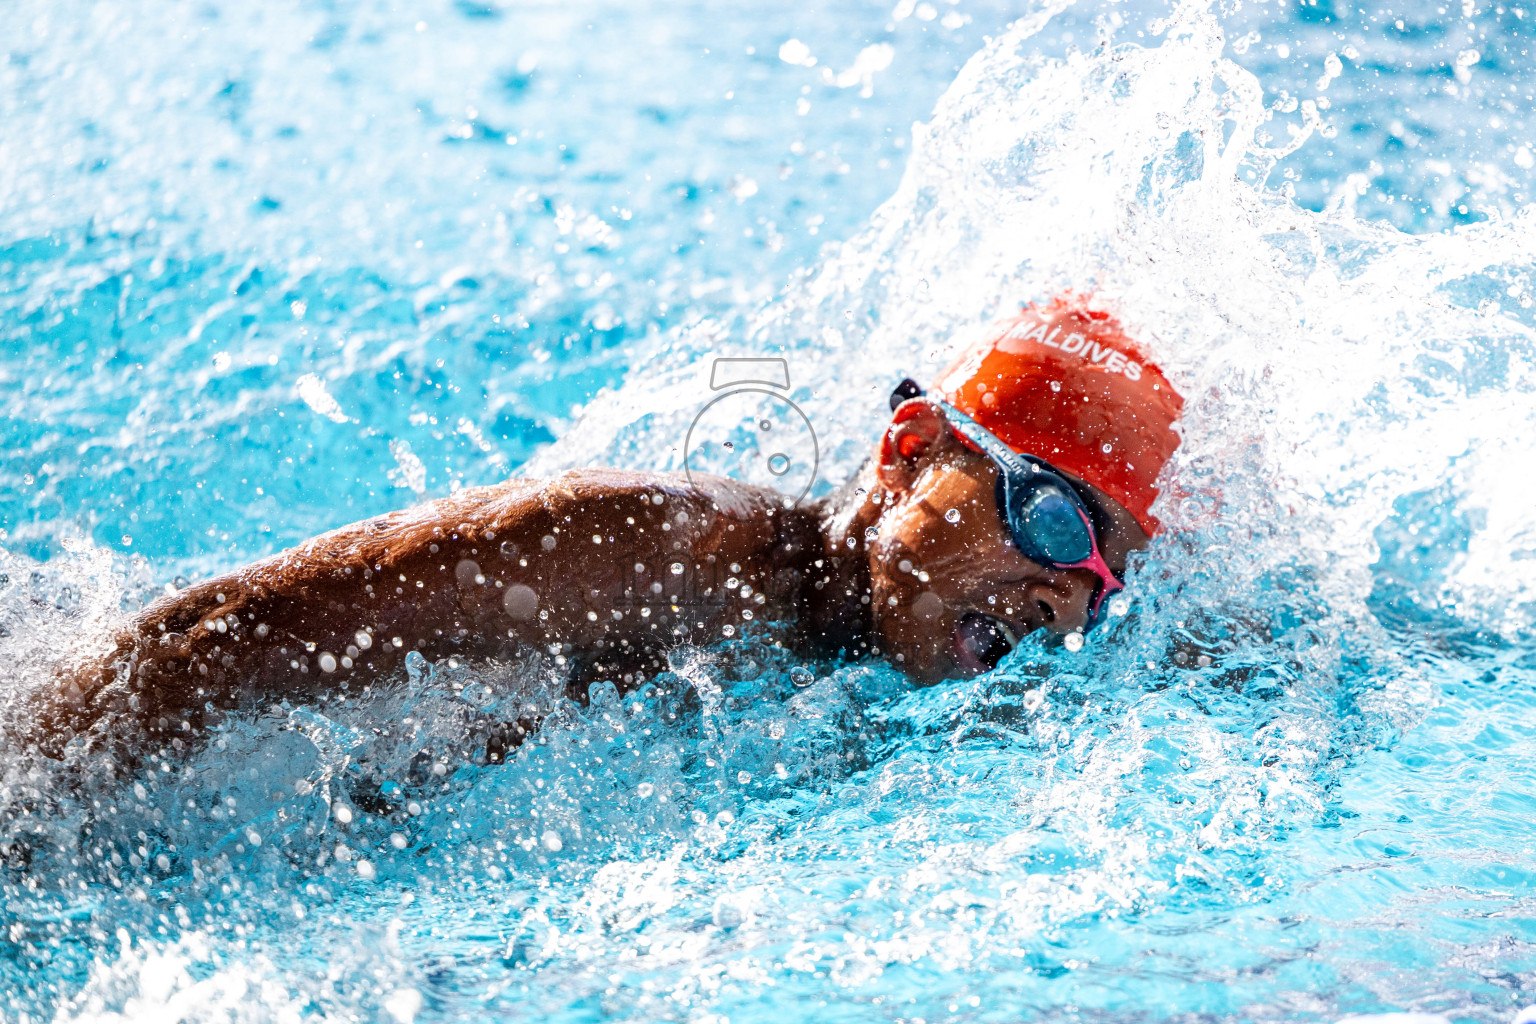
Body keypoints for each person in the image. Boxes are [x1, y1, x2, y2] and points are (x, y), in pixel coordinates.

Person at [30, 295, 1183, 762]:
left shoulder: (966, 708)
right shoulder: (645, 550)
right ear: (909, 449)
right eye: (1050, 515)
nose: (1063, 595)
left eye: (1102, 579)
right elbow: (216, 636)